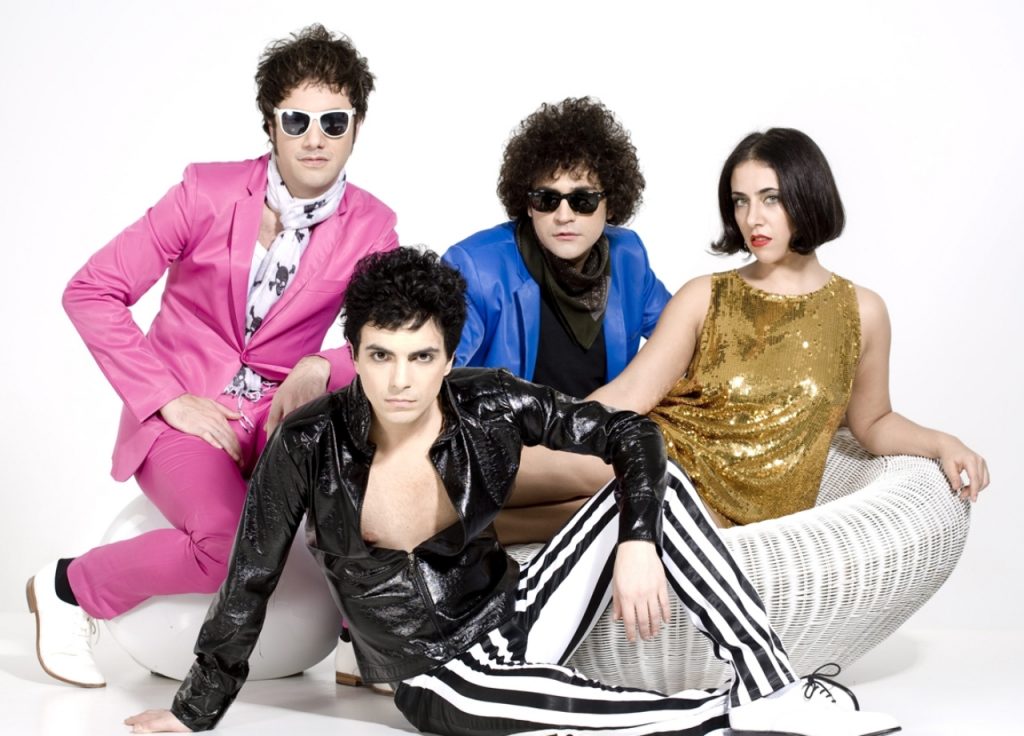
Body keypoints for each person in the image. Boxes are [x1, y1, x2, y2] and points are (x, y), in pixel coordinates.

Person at [123, 247, 899, 736]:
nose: (400, 380)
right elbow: (249, 577)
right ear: (354, 352)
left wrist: (636, 542)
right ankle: (743, 714)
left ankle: (771, 684)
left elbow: (631, 435)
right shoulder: (307, 441)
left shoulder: (488, 401)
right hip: (439, 679)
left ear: (448, 356)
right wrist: (194, 711)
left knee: (658, 487)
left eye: (421, 358)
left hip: (516, 616)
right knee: (607, 721)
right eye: (381, 356)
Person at [25, 24, 397, 688]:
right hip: (183, 415)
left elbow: (392, 336)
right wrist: (166, 397)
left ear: (356, 128)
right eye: (297, 119)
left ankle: (357, 637)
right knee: (226, 544)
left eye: (333, 121)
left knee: (389, 487)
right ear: (271, 123)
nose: (315, 137)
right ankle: (68, 589)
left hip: (279, 422)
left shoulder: (372, 225)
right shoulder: (205, 191)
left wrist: (321, 366)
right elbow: (92, 291)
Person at [512, 127, 989, 532]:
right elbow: (628, 395)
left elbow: (873, 422)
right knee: (490, 467)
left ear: (808, 195)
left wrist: (942, 442)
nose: (751, 219)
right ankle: (469, 511)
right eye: (740, 202)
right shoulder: (704, 295)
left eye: (770, 199)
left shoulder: (864, 312)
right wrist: (541, 433)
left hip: (718, 511)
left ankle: (480, 519)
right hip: (654, 458)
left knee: (591, 507)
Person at [443, 97, 670, 539]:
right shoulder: (477, 265)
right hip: (500, 449)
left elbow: (682, 337)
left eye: (582, 200)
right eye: (547, 199)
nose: (564, 216)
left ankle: (485, 531)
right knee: (638, 469)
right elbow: (437, 375)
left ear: (610, 203)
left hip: (584, 443)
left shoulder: (628, 257)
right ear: (527, 204)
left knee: (628, 479)